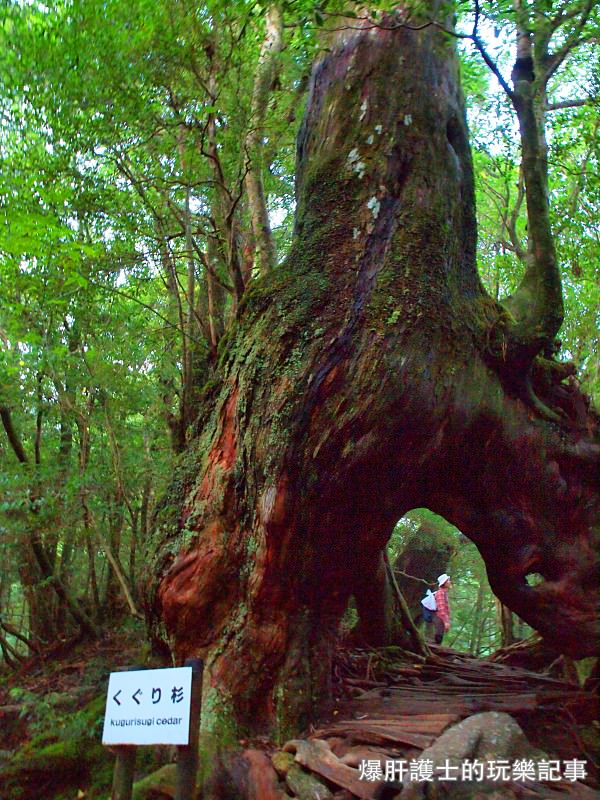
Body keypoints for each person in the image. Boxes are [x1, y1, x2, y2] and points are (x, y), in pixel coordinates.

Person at [431, 573, 451, 644]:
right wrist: (446, 622)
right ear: (444, 583)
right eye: (448, 580)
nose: (449, 582)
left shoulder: (444, 593)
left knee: (439, 638)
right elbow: (441, 609)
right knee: (438, 638)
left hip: (440, 619)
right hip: (439, 618)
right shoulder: (440, 593)